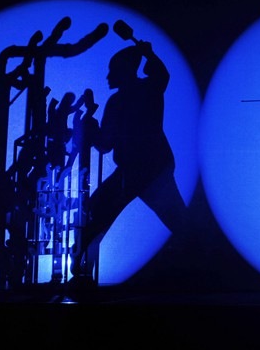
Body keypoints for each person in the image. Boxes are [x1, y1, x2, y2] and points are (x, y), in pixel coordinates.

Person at [70, 40, 190, 278]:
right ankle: (81, 262)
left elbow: (105, 144)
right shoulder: (147, 89)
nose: (108, 76)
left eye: (112, 70)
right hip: (147, 169)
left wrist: (91, 129)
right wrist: (148, 53)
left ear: (124, 70)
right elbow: (106, 144)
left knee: (97, 211)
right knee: (98, 210)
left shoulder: (133, 95)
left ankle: (80, 261)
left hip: (143, 172)